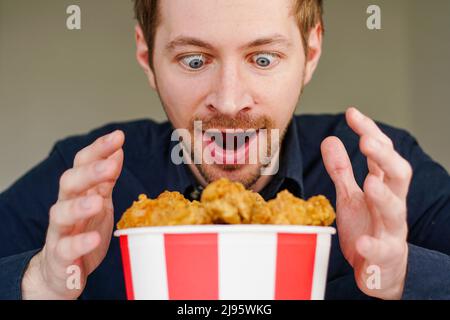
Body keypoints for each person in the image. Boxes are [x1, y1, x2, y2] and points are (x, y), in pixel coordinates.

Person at [0, 0, 449, 300]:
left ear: (311, 53)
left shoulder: (380, 174)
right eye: (194, 60)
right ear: (147, 56)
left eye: (263, 59)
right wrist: (39, 282)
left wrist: (403, 276)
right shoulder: (84, 182)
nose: (230, 101)